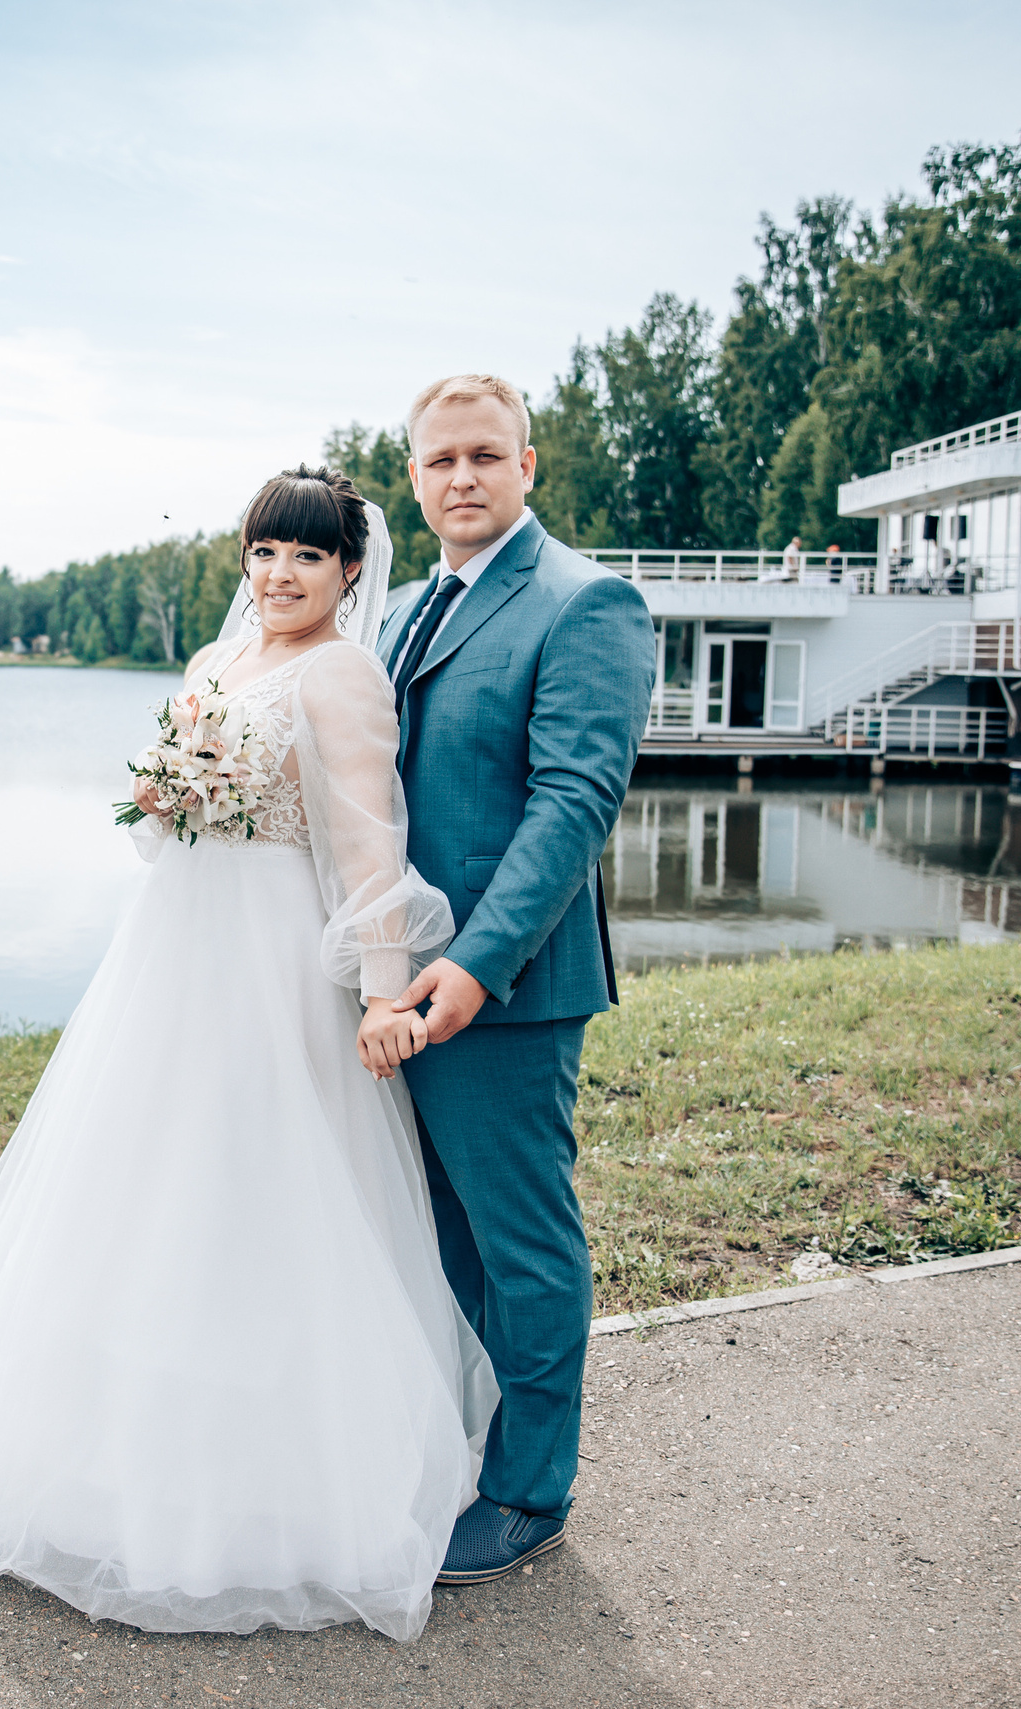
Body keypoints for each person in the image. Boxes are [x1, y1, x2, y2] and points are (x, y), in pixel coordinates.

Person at [0, 466, 491, 1642]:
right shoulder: (215, 665)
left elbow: (370, 848)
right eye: (263, 553)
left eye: (306, 558)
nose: (278, 576)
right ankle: (107, 1446)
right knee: (139, 1173)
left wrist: (385, 996)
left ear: (349, 572)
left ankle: (272, 1474)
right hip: (174, 947)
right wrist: (165, 797)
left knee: (259, 1184)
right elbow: (166, 830)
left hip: (273, 956)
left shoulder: (343, 675)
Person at [378, 374, 654, 1584]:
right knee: (437, 1236)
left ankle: (532, 1491)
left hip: (507, 990)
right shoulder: (390, 610)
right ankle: (473, 1443)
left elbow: (572, 803)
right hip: (393, 990)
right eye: (440, 461)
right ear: (415, 475)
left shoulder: (586, 601)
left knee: (521, 1243)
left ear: (527, 464)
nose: (462, 478)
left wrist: (474, 965)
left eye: (484, 455)